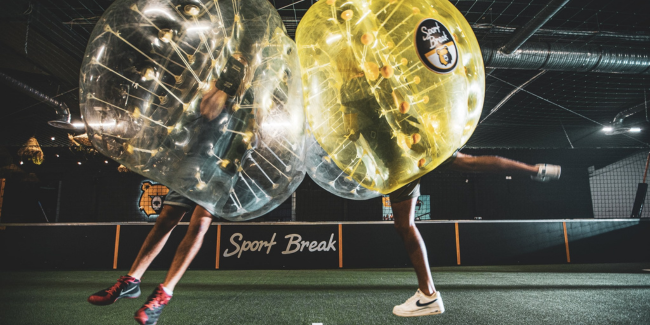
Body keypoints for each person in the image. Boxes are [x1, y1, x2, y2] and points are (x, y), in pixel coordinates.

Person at [88, 52, 253, 325]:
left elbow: (255, 132)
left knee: (200, 224)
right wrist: (225, 83)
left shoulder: (253, 95)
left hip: (225, 166)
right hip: (197, 158)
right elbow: (207, 111)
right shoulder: (216, 86)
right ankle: (131, 281)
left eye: (241, 62)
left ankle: (164, 294)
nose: (236, 64)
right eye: (232, 61)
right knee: (166, 219)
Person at [390, 153, 561, 317]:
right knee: (470, 162)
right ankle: (536, 169)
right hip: (423, 141)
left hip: (400, 153)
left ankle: (428, 295)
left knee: (405, 224)